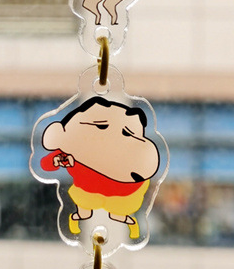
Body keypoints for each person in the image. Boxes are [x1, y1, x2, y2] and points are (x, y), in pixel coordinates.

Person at [39, 97, 160, 238]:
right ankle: (74, 219)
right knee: (84, 213)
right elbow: (45, 164)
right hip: (87, 191)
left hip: (121, 194)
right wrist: (57, 161)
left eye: (127, 132)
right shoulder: (75, 148)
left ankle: (131, 224)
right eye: (102, 126)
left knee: (118, 215)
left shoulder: (126, 157)